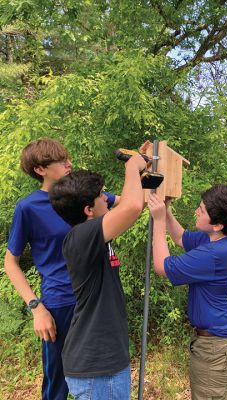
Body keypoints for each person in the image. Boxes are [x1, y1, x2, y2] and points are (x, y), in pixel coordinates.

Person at [4, 137, 118, 400]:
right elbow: (11, 262)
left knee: (98, 377)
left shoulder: (82, 194)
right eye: (60, 161)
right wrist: (36, 308)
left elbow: (127, 204)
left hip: (97, 300)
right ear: (40, 170)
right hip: (60, 304)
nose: (69, 162)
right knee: (58, 382)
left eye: (67, 157)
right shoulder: (28, 207)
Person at [48, 153, 147, 400]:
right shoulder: (81, 237)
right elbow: (131, 207)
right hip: (97, 368)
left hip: (102, 363)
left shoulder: (91, 234)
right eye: (102, 195)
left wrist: (142, 173)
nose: (107, 198)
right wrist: (132, 166)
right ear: (88, 210)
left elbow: (135, 204)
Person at [148, 184, 227, 400]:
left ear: (218, 224)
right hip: (223, 341)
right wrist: (166, 209)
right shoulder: (220, 239)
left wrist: (158, 221)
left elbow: (161, 266)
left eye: (202, 210)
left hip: (217, 347)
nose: (197, 211)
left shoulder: (214, 253)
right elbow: (181, 238)